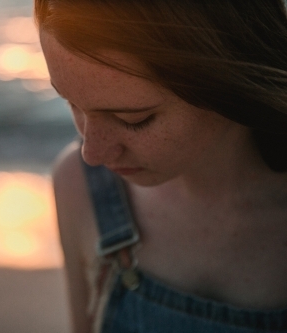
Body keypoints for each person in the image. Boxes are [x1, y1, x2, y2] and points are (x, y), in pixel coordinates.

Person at [34, 0, 287, 332]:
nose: (92, 153)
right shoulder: (81, 188)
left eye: (133, 119)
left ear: (231, 81)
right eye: (71, 103)